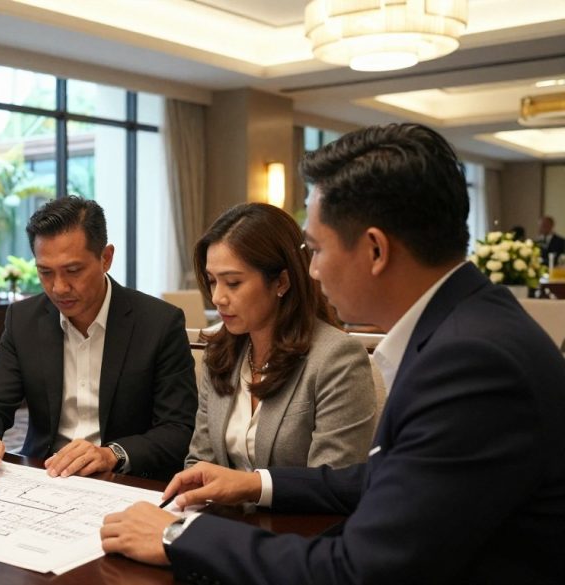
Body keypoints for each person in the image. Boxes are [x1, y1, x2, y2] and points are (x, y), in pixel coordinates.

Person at [100, 123, 565, 584]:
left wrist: (181, 538)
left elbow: (361, 570)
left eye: (317, 249)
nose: (315, 272)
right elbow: (385, 479)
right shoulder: (469, 327)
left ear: (375, 250)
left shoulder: (471, 362)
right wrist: (256, 482)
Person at [0, 196, 197, 481]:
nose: (58, 288)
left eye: (73, 271)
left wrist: (112, 454)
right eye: (45, 273)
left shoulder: (159, 323)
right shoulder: (24, 320)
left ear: (105, 258)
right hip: (44, 474)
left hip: (124, 479)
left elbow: (178, 429)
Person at [186, 202, 376, 473]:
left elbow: (334, 483)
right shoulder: (219, 353)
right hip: (217, 513)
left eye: (233, 282)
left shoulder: (336, 358)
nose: (217, 298)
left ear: (282, 282)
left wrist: (249, 490)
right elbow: (199, 462)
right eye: (212, 281)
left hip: (294, 516)